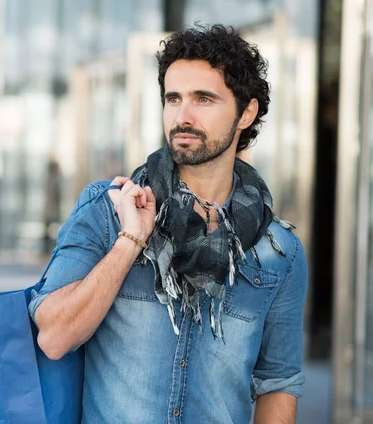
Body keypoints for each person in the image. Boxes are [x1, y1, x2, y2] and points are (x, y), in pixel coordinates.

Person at [29, 24, 308, 424]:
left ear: (246, 112)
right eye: (172, 98)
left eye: (204, 99)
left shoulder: (278, 251)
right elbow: (53, 337)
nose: (183, 116)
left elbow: (278, 382)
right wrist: (130, 241)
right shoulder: (108, 210)